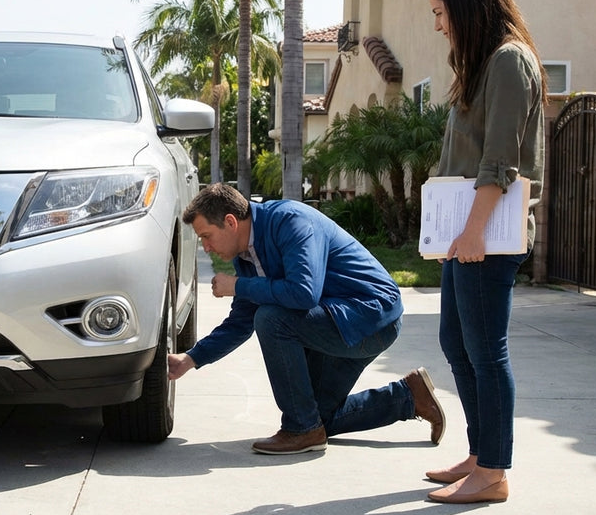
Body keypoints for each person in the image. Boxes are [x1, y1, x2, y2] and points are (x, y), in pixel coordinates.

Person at [168, 183, 445, 456]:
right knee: (318, 417)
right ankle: (409, 397)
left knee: (271, 319)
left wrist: (238, 286)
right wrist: (190, 359)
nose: (205, 247)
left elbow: (303, 293)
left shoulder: (290, 221)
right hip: (338, 320)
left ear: (230, 222)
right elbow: (241, 322)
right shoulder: (246, 257)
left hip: (370, 319)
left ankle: (300, 430)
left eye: (207, 236)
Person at [422, 0, 547, 504]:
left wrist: (472, 233)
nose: (438, 24)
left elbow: (500, 160)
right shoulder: (481, 64)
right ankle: (480, 452)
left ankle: (494, 471)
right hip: (466, 233)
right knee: (458, 341)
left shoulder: (508, 62)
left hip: (488, 236)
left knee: (485, 349)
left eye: (441, 12)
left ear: (468, 7)